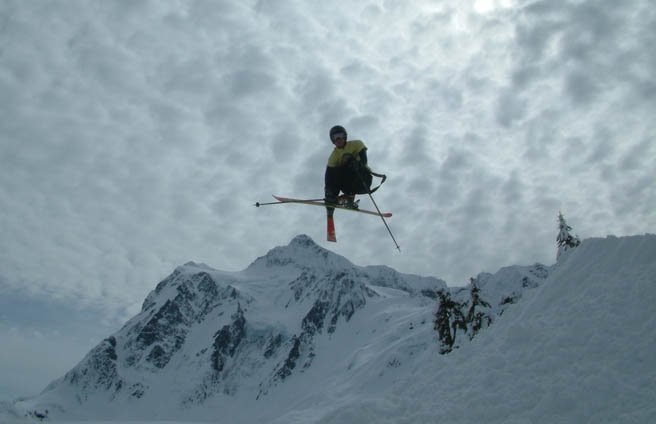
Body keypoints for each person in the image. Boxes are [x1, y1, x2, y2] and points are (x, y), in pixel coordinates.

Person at [324, 125, 373, 218]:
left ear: (345, 136)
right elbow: (329, 177)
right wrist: (329, 193)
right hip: (348, 185)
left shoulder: (357, 144)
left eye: (340, 135)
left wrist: (358, 164)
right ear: (332, 140)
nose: (338, 139)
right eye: (335, 137)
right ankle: (335, 201)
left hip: (363, 180)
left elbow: (364, 161)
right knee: (335, 172)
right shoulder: (333, 157)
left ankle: (348, 197)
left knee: (350, 165)